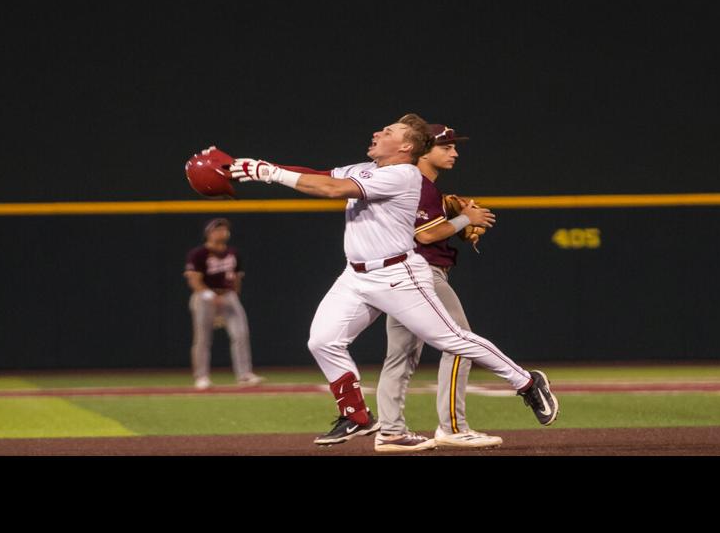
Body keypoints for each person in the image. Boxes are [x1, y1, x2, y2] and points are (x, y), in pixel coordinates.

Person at [226, 114, 558, 451]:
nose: (376, 132)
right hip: (355, 276)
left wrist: (265, 174)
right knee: (322, 341)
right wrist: (260, 165)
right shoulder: (365, 169)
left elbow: (330, 189)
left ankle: (528, 382)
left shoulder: (404, 174)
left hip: (398, 275)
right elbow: (320, 176)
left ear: (406, 146)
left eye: (387, 131)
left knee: (452, 338)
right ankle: (357, 417)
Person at [374, 123, 503, 449]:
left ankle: (389, 431)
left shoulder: (413, 185)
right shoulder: (418, 184)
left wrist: (448, 212)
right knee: (461, 343)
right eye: (446, 147)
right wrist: (464, 220)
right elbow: (426, 235)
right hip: (421, 274)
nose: (454, 152)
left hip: (397, 275)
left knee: (399, 358)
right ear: (423, 149)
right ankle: (453, 428)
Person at [184, 218, 264, 390]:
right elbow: (193, 279)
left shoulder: (233, 253)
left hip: (227, 296)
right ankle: (202, 376)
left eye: (224, 229)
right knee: (203, 338)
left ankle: (244, 375)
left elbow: (236, 278)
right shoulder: (199, 254)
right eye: (217, 229)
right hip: (205, 297)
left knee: (241, 334)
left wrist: (233, 296)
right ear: (209, 233)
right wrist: (209, 295)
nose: (222, 232)